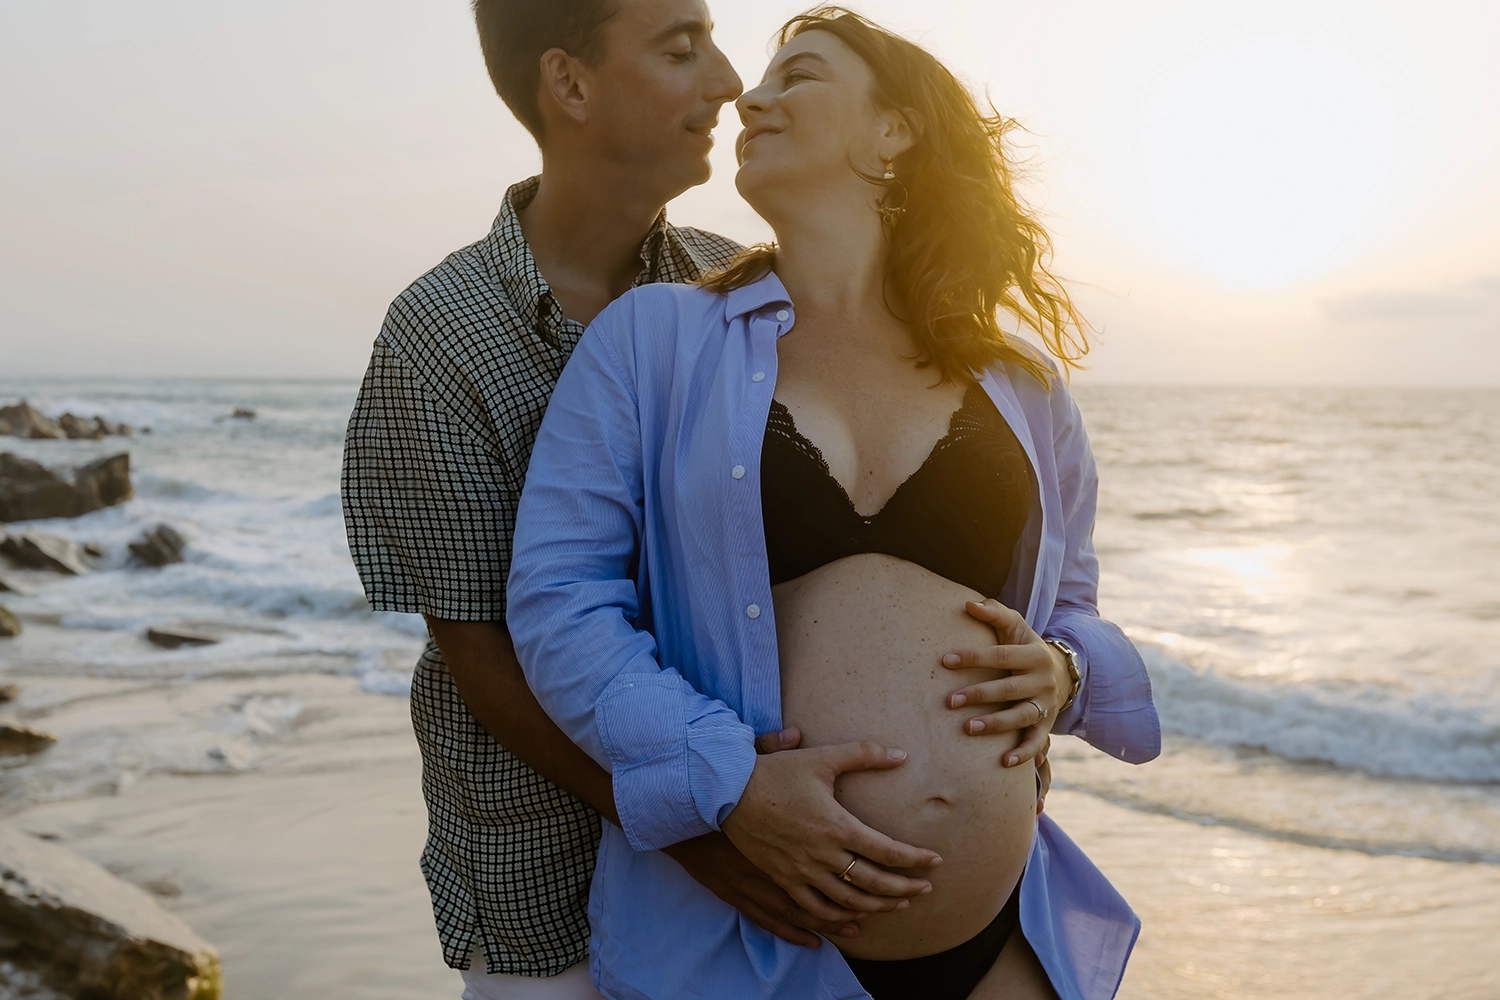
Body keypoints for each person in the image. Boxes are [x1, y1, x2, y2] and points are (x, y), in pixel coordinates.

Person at [342, 2, 1067, 997]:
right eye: (684, 51)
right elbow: (488, 647)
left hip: (833, 893)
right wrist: (716, 817)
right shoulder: (445, 334)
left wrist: (1057, 676)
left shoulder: (727, 284)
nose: (731, 84)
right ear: (572, 86)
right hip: (551, 873)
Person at [506, 8, 1160, 1000]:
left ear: (894, 131)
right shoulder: (657, 339)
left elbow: (1069, 609)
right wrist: (728, 782)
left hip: (1000, 942)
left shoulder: (1020, 386)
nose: (750, 97)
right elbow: (559, 600)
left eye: (797, 75)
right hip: (742, 936)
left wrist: (1065, 672)